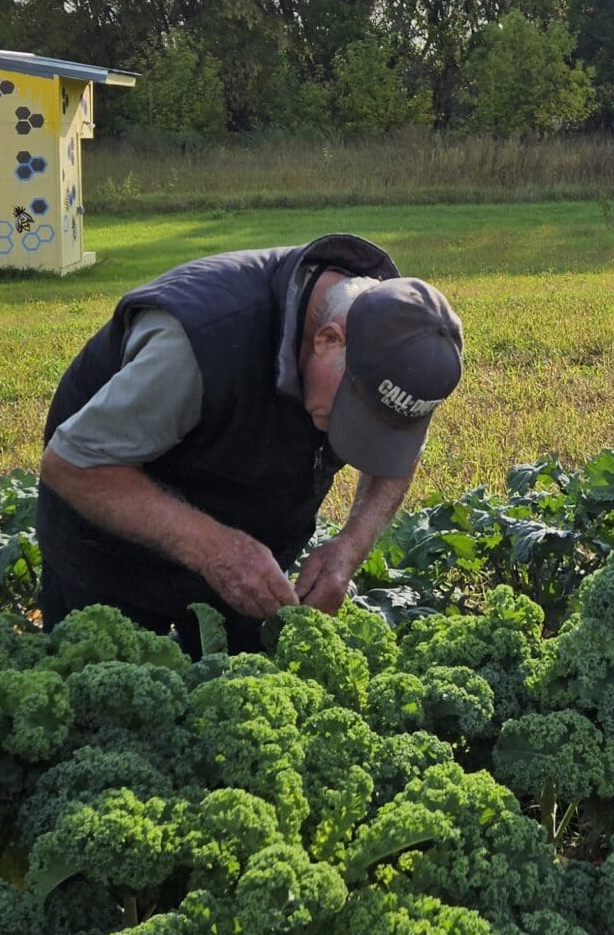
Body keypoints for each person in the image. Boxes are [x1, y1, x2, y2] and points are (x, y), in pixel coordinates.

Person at [36, 234, 463, 655]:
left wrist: (351, 545)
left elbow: (397, 451)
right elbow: (71, 464)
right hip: (112, 553)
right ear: (328, 339)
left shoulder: (400, 352)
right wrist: (214, 549)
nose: (356, 430)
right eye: (352, 411)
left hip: (250, 560)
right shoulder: (200, 344)